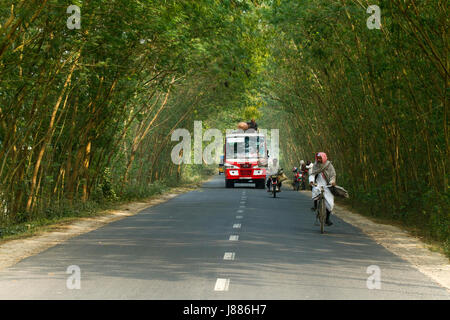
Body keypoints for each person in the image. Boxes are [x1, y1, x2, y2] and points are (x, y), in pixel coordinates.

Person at [309, 152, 336, 226]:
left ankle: (327, 219)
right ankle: (316, 206)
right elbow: (313, 174)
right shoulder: (315, 165)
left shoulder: (329, 165)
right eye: (318, 158)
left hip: (327, 184)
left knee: (330, 203)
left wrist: (332, 181)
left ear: (323, 158)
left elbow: (333, 175)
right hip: (318, 183)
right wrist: (311, 181)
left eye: (320, 158)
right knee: (315, 191)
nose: (319, 159)